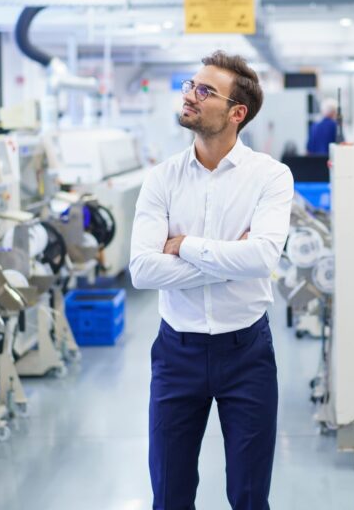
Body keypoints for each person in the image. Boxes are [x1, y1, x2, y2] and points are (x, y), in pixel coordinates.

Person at [129, 51, 293, 510]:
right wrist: (227, 258)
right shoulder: (161, 179)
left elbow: (261, 257)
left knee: (248, 494)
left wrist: (183, 245)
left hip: (247, 354)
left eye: (205, 91)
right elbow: (142, 270)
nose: (191, 96)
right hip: (176, 353)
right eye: (190, 86)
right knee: (170, 492)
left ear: (236, 113)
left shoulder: (270, 177)